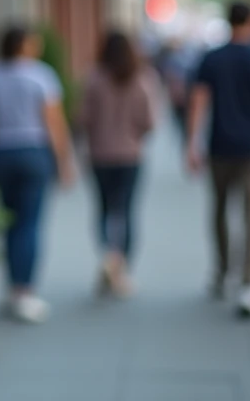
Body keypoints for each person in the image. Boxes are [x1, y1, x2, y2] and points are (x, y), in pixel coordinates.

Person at [186, 1, 250, 318]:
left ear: (229, 22)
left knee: (219, 210)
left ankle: (221, 272)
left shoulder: (212, 58)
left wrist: (191, 143)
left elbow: (199, 102)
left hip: (221, 146)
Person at [0, 24, 76, 323]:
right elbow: (54, 123)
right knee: (29, 223)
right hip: (33, 152)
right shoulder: (41, 75)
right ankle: (25, 290)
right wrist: (64, 162)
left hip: (1, 152)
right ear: (25, 45)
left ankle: (12, 288)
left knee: (7, 222)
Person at [79, 30, 156, 298]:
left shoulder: (94, 79)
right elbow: (149, 123)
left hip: (99, 155)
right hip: (130, 155)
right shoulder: (142, 79)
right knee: (125, 210)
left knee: (103, 209)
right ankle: (119, 265)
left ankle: (108, 257)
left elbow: (83, 118)